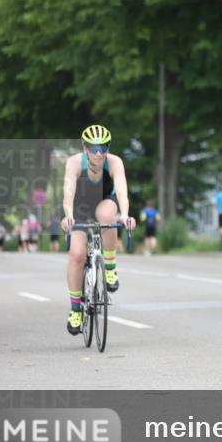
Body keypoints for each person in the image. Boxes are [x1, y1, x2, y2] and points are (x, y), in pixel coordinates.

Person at [60, 125, 136, 335]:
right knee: (76, 255)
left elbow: (121, 191)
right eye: (93, 148)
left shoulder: (114, 162)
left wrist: (126, 215)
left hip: (104, 202)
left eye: (103, 147)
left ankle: (110, 266)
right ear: (85, 148)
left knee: (107, 216)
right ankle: (76, 309)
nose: (98, 153)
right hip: (79, 207)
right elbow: (68, 193)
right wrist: (68, 216)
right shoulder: (74, 162)